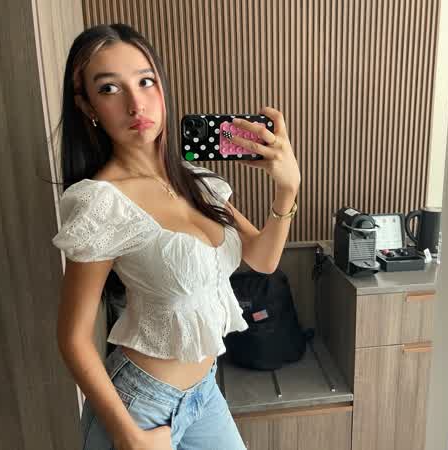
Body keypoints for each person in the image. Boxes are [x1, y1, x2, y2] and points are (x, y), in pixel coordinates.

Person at [51, 23, 300, 450]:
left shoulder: (195, 181)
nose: (136, 103)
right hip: (138, 406)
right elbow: (73, 338)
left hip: (203, 394)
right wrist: (127, 436)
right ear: (88, 105)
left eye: (145, 81)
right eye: (110, 88)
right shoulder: (102, 202)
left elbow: (263, 259)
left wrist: (288, 188)